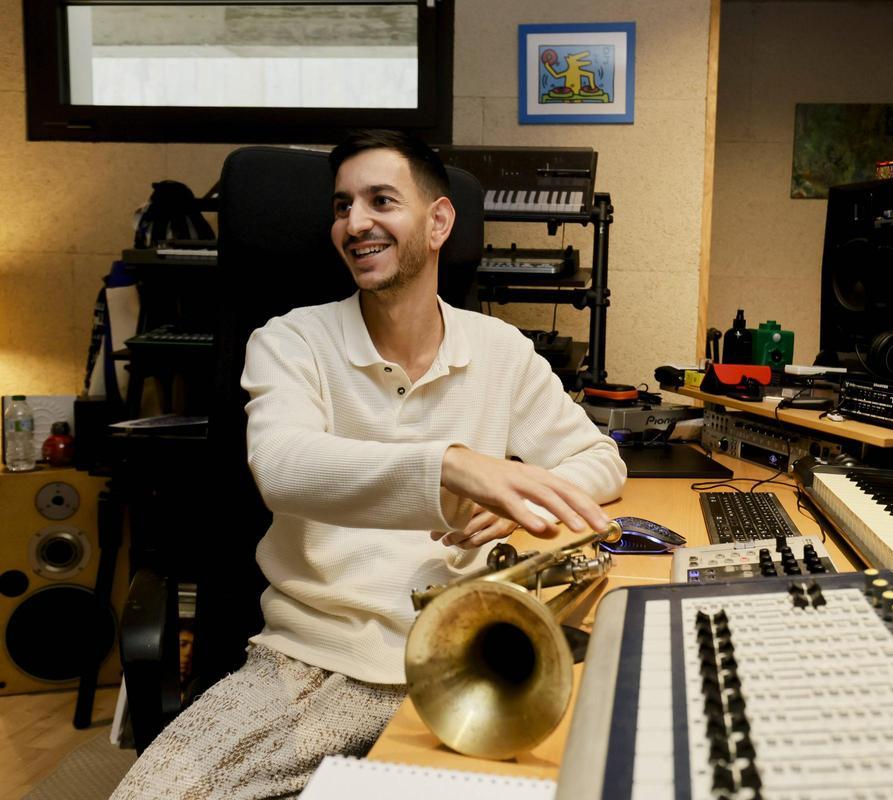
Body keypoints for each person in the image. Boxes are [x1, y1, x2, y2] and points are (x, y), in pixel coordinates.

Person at [112, 130, 626, 799]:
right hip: (308, 665)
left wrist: (517, 508)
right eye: (342, 206)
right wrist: (452, 465)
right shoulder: (290, 340)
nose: (355, 223)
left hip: (466, 650)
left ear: (440, 222)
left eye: (380, 200)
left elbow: (599, 459)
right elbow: (283, 466)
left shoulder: (501, 349)